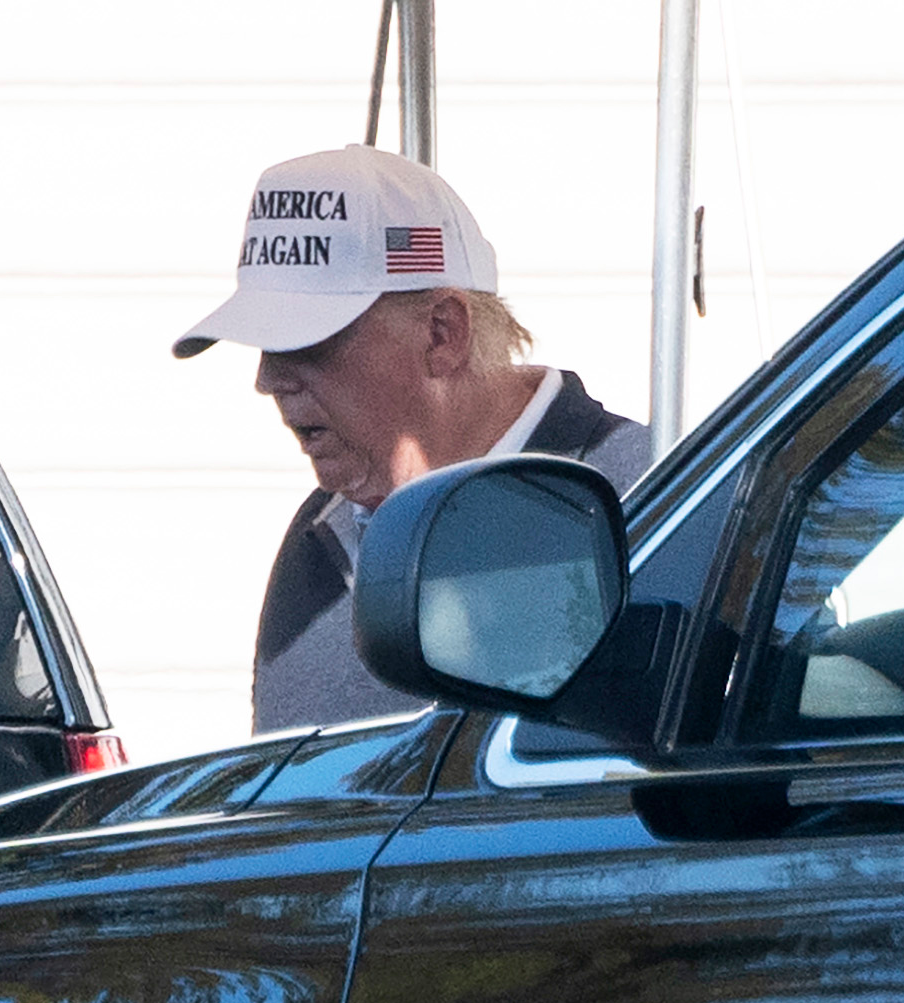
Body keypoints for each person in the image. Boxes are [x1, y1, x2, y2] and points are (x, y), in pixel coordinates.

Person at [174, 144, 650, 733]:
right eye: (267, 347)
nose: (268, 378)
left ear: (442, 335)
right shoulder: (318, 539)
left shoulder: (653, 498)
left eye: (305, 343)